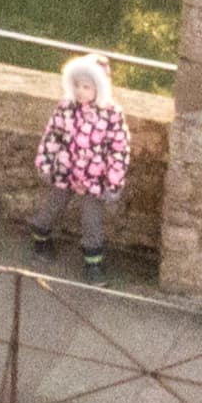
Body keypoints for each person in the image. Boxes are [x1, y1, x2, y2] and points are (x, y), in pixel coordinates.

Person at [30, 52, 133, 280]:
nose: (80, 92)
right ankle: (40, 239)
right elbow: (52, 136)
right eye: (77, 86)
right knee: (53, 206)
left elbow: (119, 149)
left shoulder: (112, 114)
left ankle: (93, 263)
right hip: (65, 170)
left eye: (87, 87)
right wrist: (46, 163)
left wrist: (113, 181)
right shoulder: (66, 107)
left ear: (99, 88)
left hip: (94, 179)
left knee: (91, 219)